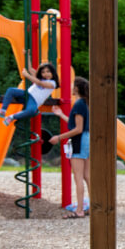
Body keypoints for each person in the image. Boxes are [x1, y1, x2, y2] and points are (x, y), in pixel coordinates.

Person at [50, 77, 89, 219]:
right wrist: (61, 115)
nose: (71, 88)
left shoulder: (78, 104)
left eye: (73, 86)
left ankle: (79, 210)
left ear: (77, 88)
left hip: (79, 141)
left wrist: (58, 137)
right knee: (87, 176)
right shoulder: (85, 103)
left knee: (78, 176)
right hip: (86, 139)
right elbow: (78, 125)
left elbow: (78, 129)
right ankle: (94, 206)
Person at [0, 59, 59, 127]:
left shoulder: (52, 83)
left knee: (31, 110)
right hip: (27, 94)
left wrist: (27, 76)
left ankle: (11, 117)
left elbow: (40, 83)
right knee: (11, 90)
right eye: (43, 72)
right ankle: (3, 110)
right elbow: (30, 69)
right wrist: (27, 55)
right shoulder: (40, 78)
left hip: (34, 100)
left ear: (53, 72)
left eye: (48, 72)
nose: (46, 74)